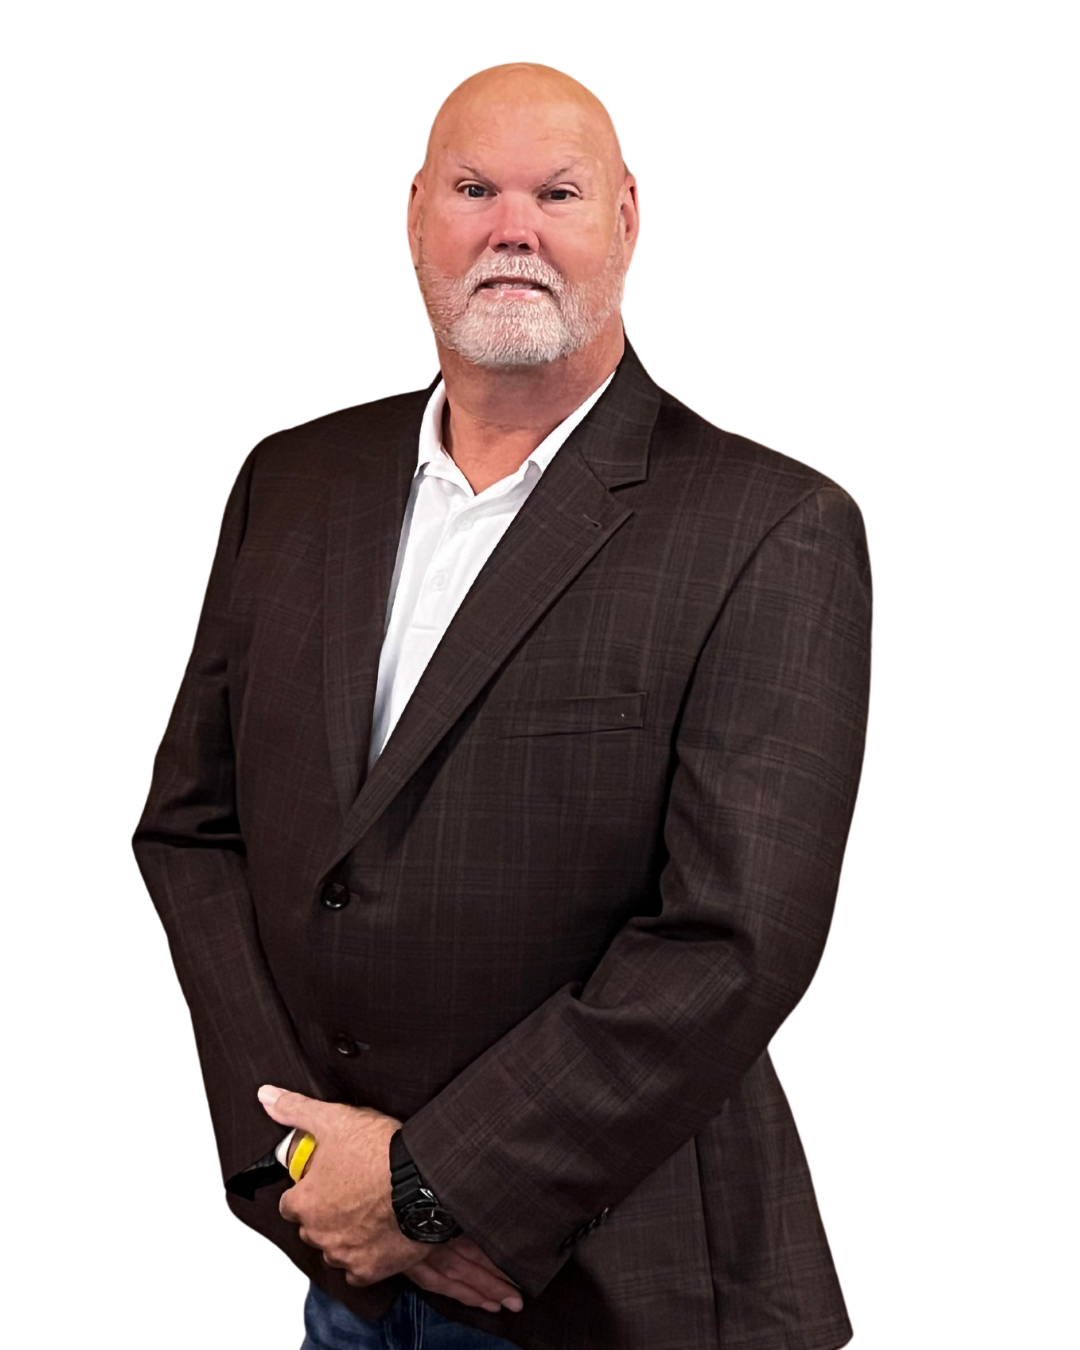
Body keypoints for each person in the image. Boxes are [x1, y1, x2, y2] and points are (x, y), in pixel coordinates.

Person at [132, 60, 872, 1350]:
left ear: (628, 218)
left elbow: (732, 939)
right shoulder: (293, 482)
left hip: (619, 1285)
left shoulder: (772, 527)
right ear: (417, 213)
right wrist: (307, 1172)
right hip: (351, 1270)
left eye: (558, 191)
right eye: (474, 188)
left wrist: (432, 1183)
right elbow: (196, 833)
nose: (512, 227)